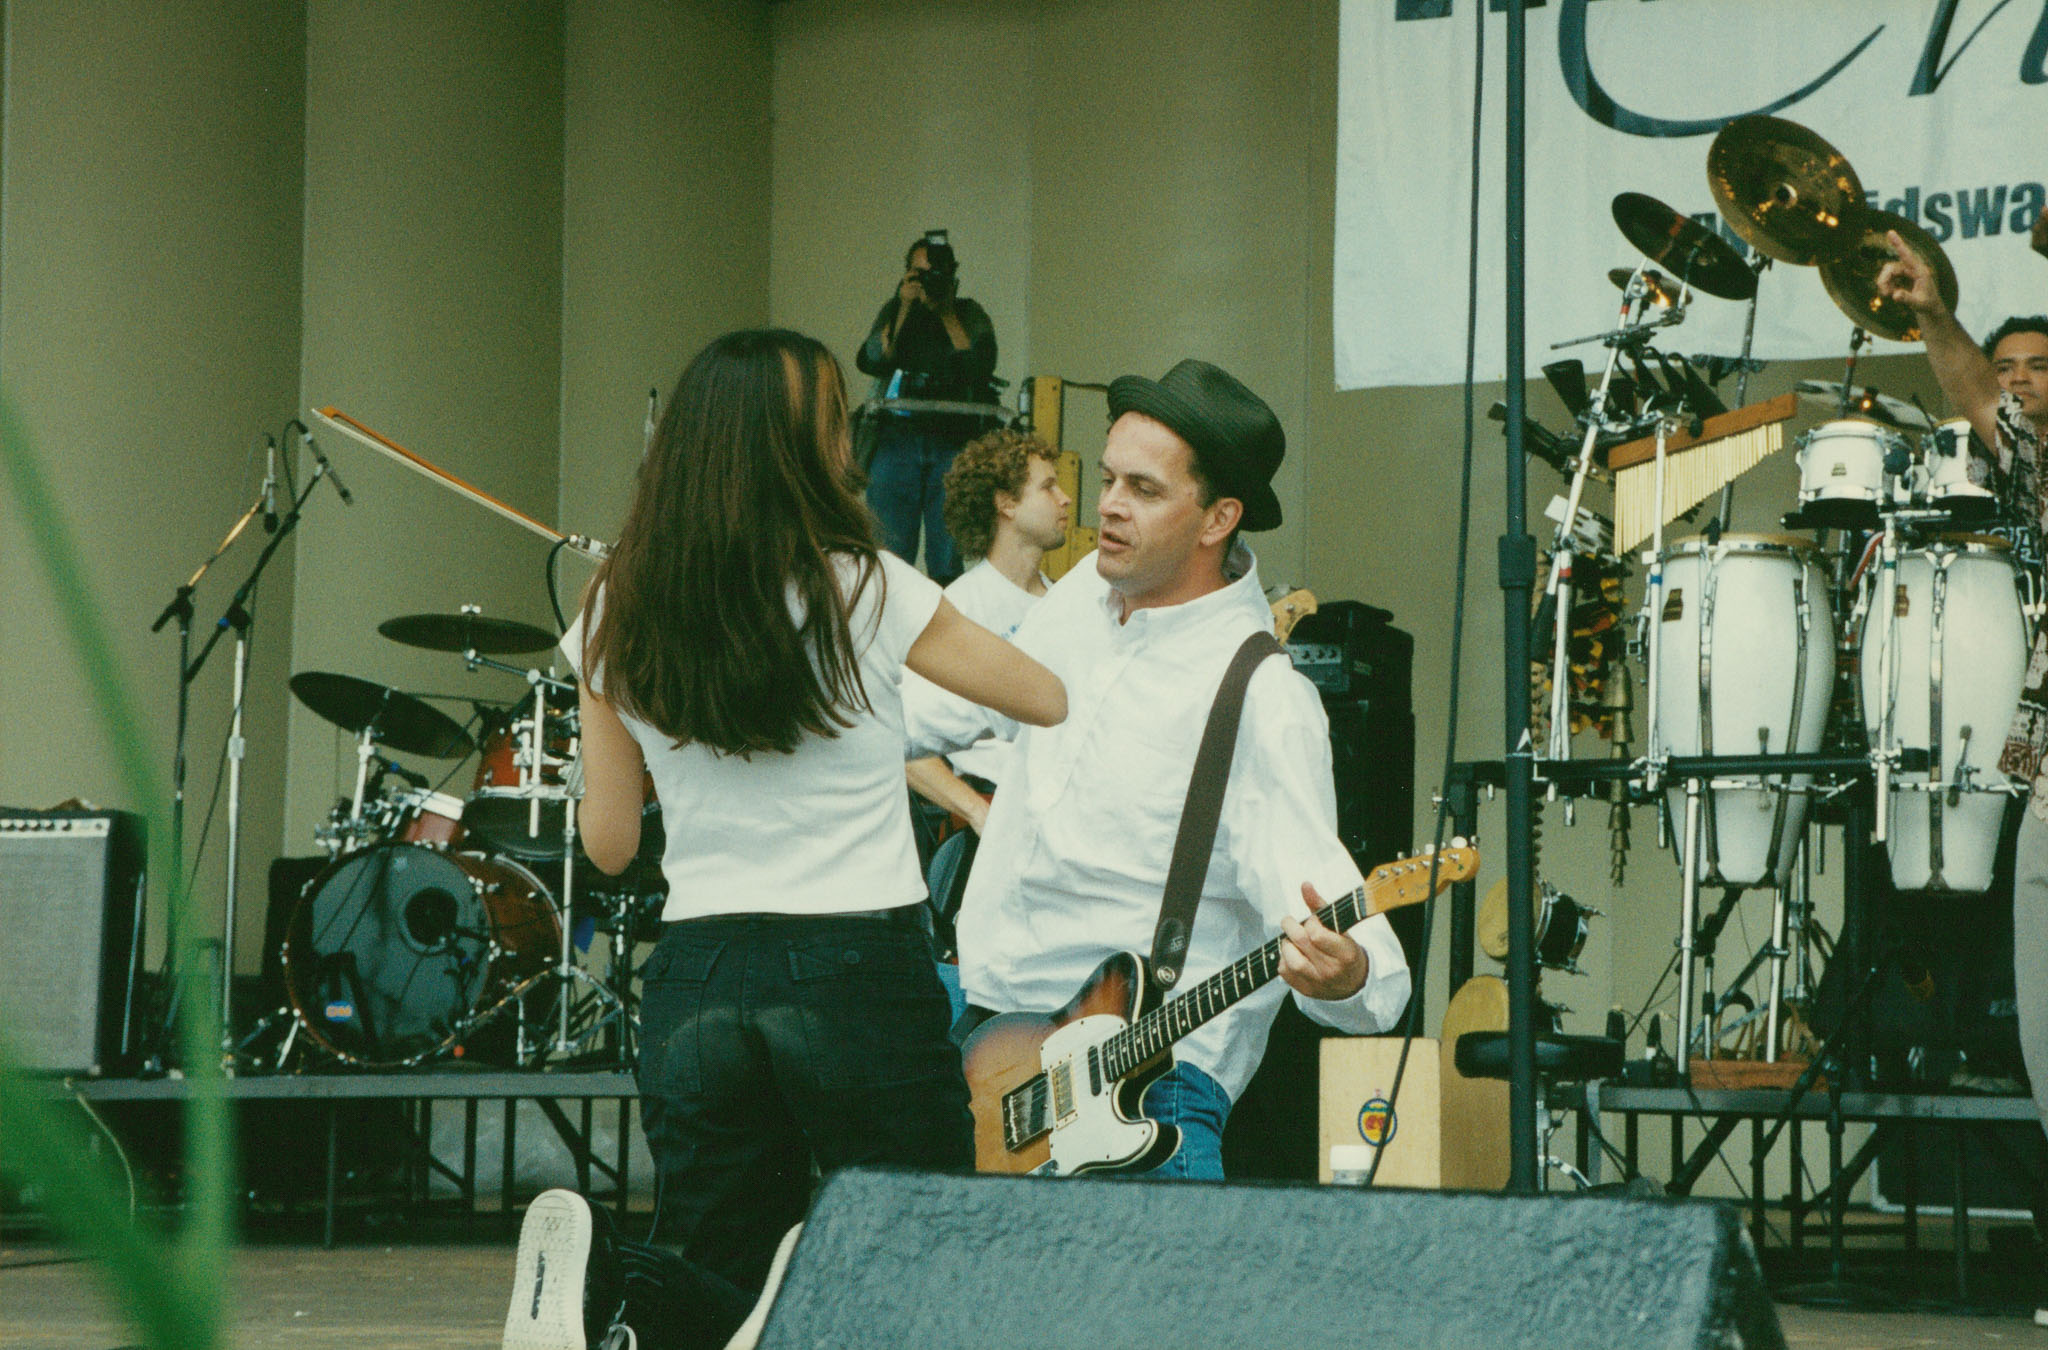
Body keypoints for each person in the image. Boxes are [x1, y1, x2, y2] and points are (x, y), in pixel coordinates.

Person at [502, 328, 1065, 1350]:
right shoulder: (868, 583)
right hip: (856, 964)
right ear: (805, 444)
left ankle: (615, 1290)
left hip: (698, 971)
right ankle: (618, 1289)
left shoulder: (615, 603)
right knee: (919, 1237)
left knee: (717, 1264)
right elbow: (1044, 696)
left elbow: (610, 843)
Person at [904, 358, 1412, 1181]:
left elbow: (1352, 941)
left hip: (1148, 1094)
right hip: (992, 1057)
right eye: (1108, 479)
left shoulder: (1262, 697)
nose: (1107, 504)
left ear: (1219, 519)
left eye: (1142, 489)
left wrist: (1348, 971)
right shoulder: (1080, 596)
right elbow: (944, 710)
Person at [1877, 216, 2048, 1325]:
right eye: (2012, 368)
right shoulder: (2035, 472)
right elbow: (1984, 406)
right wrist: (1936, 316)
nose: (2018, 384)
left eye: (2040, 366)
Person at [900, 430, 1071, 1013]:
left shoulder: (1071, 606)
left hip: (1055, 838)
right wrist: (977, 811)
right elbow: (904, 743)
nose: (1066, 499)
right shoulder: (958, 608)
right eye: (1047, 486)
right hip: (981, 840)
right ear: (1005, 504)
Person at [855, 231, 1000, 583]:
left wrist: (946, 312)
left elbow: (981, 366)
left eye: (935, 275)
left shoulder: (968, 313)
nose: (927, 283)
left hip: (952, 441)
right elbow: (873, 359)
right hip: (895, 438)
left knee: (947, 559)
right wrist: (904, 306)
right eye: (918, 274)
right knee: (889, 556)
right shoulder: (895, 310)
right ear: (906, 275)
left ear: (952, 275)